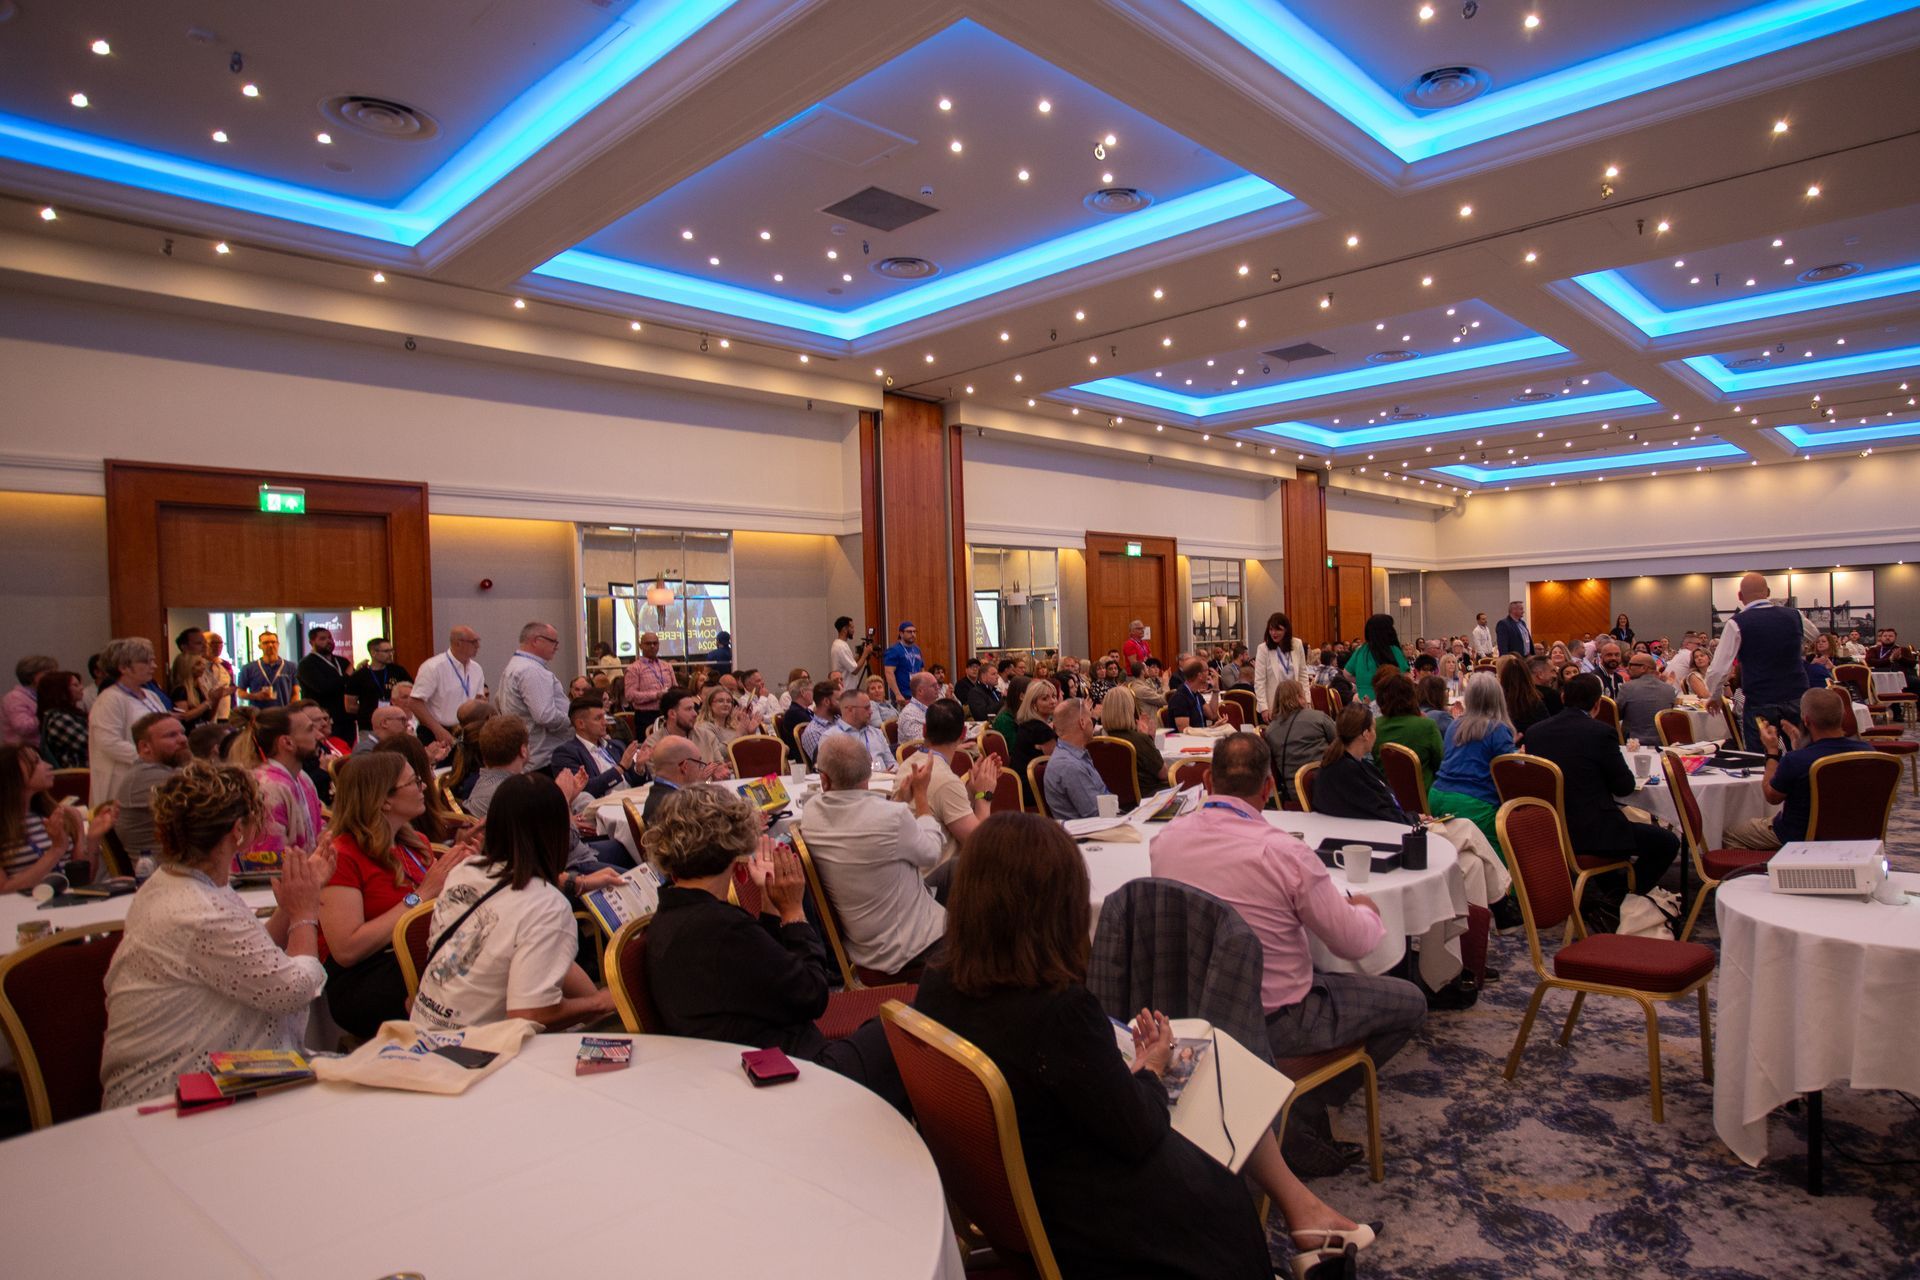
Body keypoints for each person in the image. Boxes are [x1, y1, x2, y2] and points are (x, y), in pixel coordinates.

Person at [920, 812, 1375, 1280]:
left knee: (1206, 1074)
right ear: (1057, 906)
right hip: (1082, 1215)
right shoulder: (1059, 1012)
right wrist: (1151, 1067)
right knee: (1213, 1133)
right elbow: (1138, 1130)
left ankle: (1305, 1213)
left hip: (1012, 1190)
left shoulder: (937, 983)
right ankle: (1295, 1229)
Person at [1148, 733, 1426, 1178]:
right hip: (1277, 1020)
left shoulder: (1165, 842)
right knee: (1410, 1002)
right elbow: (1353, 943)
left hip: (1195, 1009)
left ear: (1206, 780)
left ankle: (1286, 1104)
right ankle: (1298, 1104)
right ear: (1268, 786)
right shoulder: (1285, 853)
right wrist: (1368, 912)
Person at [642, 784, 907, 1111]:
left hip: (737, 1070)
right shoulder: (720, 927)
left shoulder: (672, 917)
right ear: (734, 845)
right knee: (907, 1028)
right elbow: (812, 995)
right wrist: (794, 912)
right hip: (792, 1078)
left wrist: (769, 908)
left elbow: (760, 977)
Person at [99, 765, 332, 1108]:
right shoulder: (200, 909)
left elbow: (250, 961)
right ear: (238, 830)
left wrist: (292, 903)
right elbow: (292, 991)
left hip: (193, 1079)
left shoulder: (171, 883)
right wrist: (304, 913)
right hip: (177, 1094)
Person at [411, 773, 616, 1031]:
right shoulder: (547, 905)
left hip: (425, 1031)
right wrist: (599, 1003)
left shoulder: (465, 870)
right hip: (477, 1052)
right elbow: (530, 1015)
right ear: (557, 833)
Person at [318, 751, 471, 1039]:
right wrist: (422, 895)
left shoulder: (415, 844)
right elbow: (348, 949)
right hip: (366, 981)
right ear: (384, 799)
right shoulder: (342, 856)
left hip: (421, 960)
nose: (425, 786)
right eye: (414, 782)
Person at [1525, 674, 1681, 916]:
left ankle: (1613, 889)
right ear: (1598, 704)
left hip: (1549, 827)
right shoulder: (1600, 733)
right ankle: (1625, 899)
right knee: (1667, 842)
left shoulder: (1535, 732)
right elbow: (1624, 787)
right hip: (1592, 831)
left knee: (1620, 826)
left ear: (1563, 697)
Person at [797, 735, 948, 974]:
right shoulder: (892, 818)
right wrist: (921, 795)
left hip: (866, 937)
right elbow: (931, 853)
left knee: (958, 869)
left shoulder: (812, 812)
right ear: (868, 773)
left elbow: (869, 825)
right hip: (909, 946)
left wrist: (900, 799)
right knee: (982, 912)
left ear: (824, 779)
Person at [1723, 687, 1870, 850]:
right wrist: (1799, 748)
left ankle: (1775, 870)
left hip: (1801, 835)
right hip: (1859, 835)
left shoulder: (1797, 760)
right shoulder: (1869, 753)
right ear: (1842, 717)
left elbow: (1771, 796)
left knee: (1731, 835)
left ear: (1806, 721)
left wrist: (1772, 752)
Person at [1706, 571, 1818, 753]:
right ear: (1768, 592)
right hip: (1796, 695)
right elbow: (1814, 635)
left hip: (1760, 700)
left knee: (1761, 759)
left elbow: (1719, 669)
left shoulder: (1737, 623)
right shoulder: (1794, 615)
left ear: (1740, 597)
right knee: (1803, 752)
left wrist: (1715, 695)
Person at [2, 743, 110, 891]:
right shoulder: (4, 827)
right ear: (12, 775)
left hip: (68, 904)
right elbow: (4, 891)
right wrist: (56, 850)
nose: (48, 766)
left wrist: (92, 839)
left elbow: (84, 880)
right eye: (36, 762)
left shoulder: (65, 815)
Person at [1429, 672, 1518, 851]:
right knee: (1502, 855)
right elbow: (1509, 772)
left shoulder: (1455, 724)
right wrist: (1519, 756)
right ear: (1498, 697)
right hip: (1475, 803)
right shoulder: (1498, 728)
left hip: (1438, 796)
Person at [89, 636, 173, 806]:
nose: (154, 666)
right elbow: (108, 742)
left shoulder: (151, 695)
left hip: (153, 771)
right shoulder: (110, 699)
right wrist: (151, 756)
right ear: (124, 667)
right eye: (147, 662)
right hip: (123, 777)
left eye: (153, 661)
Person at [917, 699, 1002, 856]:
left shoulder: (908, 763)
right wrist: (984, 795)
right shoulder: (946, 780)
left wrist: (970, 789)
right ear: (963, 733)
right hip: (938, 875)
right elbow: (979, 844)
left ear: (924, 730)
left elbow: (943, 807)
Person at [244, 708, 324, 863]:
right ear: (287, 742)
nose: (319, 735)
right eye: (310, 730)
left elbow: (318, 829)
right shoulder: (268, 789)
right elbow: (268, 863)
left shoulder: (303, 778)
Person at [111, 712, 190, 862]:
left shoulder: (167, 770)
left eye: (182, 733)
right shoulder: (146, 776)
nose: (183, 739)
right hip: (157, 874)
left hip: (180, 867)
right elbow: (213, 795)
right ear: (145, 747)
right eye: (171, 735)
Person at [495, 620, 571, 772]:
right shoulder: (531, 670)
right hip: (542, 758)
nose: (557, 647)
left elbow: (498, 702)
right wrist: (572, 720)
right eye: (553, 642)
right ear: (537, 640)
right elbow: (545, 716)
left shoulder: (515, 665)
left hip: (529, 753)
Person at [550, 696, 652, 795]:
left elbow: (637, 783)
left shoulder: (616, 745)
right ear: (580, 724)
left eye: (604, 717)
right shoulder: (566, 753)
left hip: (632, 799)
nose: (605, 722)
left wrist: (639, 767)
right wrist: (620, 767)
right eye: (598, 718)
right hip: (600, 807)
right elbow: (584, 789)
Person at [406, 626, 485, 749]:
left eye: (478, 641)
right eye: (473, 642)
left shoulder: (476, 669)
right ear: (458, 643)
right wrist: (438, 730)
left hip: (467, 732)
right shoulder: (433, 667)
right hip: (437, 732)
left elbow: (479, 699)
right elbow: (415, 702)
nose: (478, 646)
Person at [1265, 679, 1335, 807]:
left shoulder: (1270, 731)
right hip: (1330, 788)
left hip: (1295, 794)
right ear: (1299, 696)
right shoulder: (1318, 718)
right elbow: (1342, 744)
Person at [1041, 698, 1109, 820]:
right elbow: (1097, 814)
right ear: (1082, 723)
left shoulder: (1075, 755)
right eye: (1090, 717)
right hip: (1089, 834)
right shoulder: (1069, 766)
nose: (1092, 723)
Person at [1098, 684, 1167, 804]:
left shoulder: (1096, 739)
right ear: (1130, 710)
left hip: (1112, 801)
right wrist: (1149, 739)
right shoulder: (1138, 740)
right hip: (1147, 798)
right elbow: (1164, 774)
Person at [1370, 670, 1442, 783]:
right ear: (1412, 696)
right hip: (1423, 795)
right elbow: (1440, 764)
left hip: (1387, 795)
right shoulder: (1427, 726)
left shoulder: (1373, 727)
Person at [1008, 678, 1058, 803]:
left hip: (1021, 787)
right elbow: (1058, 762)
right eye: (1045, 699)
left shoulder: (1029, 725)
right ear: (1033, 704)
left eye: (1054, 696)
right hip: (1033, 789)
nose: (1052, 701)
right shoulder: (1040, 730)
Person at [297, 626, 353, 732]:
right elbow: (323, 687)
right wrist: (347, 676)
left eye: (330, 638)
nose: (329, 641)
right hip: (321, 718)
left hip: (345, 717)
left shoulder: (342, 661)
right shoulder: (306, 664)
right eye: (322, 639)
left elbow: (352, 686)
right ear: (312, 642)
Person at [1344, 614, 1409, 704]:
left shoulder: (1361, 650)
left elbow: (1347, 674)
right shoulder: (1393, 650)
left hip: (1362, 701)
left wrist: (1362, 682)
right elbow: (1405, 677)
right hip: (1388, 702)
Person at [1614, 652, 1677, 743]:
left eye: (1631, 665)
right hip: (1662, 742)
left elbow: (1616, 716)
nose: (1627, 668)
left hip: (1632, 744)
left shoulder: (1627, 688)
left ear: (1644, 668)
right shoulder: (1669, 690)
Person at [32, 669, 88, 769]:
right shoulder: (58, 719)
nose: (81, 688)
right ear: (61, 690)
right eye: (75, 685)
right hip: (78, 775)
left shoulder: (71, 713)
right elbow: (90, 743)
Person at [622, 632, 676, 735]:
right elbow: (630, 695)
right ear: (640, 645)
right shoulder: (634, 668)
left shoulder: (667, 666)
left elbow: (675, 688)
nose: (652, 646)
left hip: (668, 713)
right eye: (648, 643)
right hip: (646, 716)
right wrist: (656, 695)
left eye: (655, 643)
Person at [829, 689, 894, 772]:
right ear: (850, 709)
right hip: (854, 784)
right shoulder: (831, 737)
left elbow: (892, 764)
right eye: (866, 708)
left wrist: (891, 773)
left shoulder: (876, 733)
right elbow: (834, 775)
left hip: (886, 781)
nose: (871, 712)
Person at [2, 655, 59, 747]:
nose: (53, 677)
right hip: (24, 753)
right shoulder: (14, 698)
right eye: (48, 673)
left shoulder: (43, 695)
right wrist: (46, 714)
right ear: (30, 676)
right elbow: (22, 727)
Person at [237, 631, 297, 708]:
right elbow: (240, 692)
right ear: (259, 646)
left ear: (278, 644)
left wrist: (291, 711)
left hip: (283, 715)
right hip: (259, 715)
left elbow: (295, 693)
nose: (270, 645)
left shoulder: (291, 667)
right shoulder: (248, 668)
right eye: (266, 643)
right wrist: (255, 696)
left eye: (273, 642)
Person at [1496, 654, 1548, 741]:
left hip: (1503, 749)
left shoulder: (1497, 702)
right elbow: (1546, 727)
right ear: (1527, 676)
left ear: (1503, 678)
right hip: (1534, 748)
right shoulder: (1536, 702)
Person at [1866, 627, 1920, 696]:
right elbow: (1870, 661)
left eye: (1890, 636)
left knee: (1916, 682)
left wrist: (1901, 658)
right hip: (1879, 677)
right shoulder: (1874, 650)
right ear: (1881, 638)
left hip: (1900, 678)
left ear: (1895, 638)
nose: (1887, 638)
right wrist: (1890, 660)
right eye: (1885, 636)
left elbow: (1913, 664)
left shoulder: (1902, 649)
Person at [881, 621, 924, 703]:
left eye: (914, 632)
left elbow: (922, 670)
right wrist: (897, 694)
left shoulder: (917, 649)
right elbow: (889, 673)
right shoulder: (894, 650)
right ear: (901, 633)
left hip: (917, 694)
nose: (913, 634)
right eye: (909, 632)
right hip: (903, 695)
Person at [798, 680, 840, 763]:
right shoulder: (813, 732)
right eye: (838, 699)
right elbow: (824, 764)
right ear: (826, 702)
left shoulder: (840, 720)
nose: (843, 703)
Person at [895, 671, 937, 745]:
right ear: (920, 691)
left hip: (939, 751)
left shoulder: (934, 708)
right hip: (921, 755)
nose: (938, 688)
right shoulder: (909, 715)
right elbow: (921, 744)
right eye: (933, 686)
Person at [775, 677, 814, 755]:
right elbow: (814, 732)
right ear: (803, 692)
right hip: (803, 755)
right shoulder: (795, 713)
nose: (814, 693)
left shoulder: (804, 710)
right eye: (812, 690)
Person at [829, 616, 870, 684]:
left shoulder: (838, 644)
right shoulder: (841, 647)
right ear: (844, 629)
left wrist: (860, 655)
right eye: (851, 627)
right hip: (846, 689)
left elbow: (849, 664)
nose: (853, 630)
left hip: (844, 688)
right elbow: (855, 670)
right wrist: (865, 654)